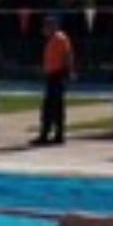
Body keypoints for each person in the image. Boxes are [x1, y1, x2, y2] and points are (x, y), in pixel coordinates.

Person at [30, 16, 75, 146]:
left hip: (58, 74)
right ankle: (46, 133)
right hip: (51, 75)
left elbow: (68, 55)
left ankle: (58, 135)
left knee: (56, 105)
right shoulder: (51, 40)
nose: (45, 29)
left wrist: (69, 72)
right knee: (48, 106)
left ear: (53, 26)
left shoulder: (60, 38)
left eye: (47, 26)